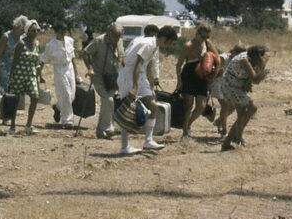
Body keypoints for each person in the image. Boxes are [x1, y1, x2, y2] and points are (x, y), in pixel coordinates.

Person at [117, 25, 176, 155]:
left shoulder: (153, 44)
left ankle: (148, 141)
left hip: (140, 76)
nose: (169, 46)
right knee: (128, 110)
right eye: (170, 43)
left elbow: (148, 66)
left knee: (153, 106)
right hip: (129, 77)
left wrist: (151, 87)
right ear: (164, 38)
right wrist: (134, 87)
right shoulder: (148, 44)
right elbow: (137, 65)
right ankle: (124, 146)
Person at [220, 45, 269, 151]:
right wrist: (262, 66)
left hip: (237, 85)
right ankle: (235, 136)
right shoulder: (244, 60)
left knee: (241, 114)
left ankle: (229, 141)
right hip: (231, 86)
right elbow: (256, 79)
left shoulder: (250, 59)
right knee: (252, 108)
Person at [176, 23, 218, 141]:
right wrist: (179, 81)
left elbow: (217, 57)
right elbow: (179, 64)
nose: (205, 39)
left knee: (201, 105)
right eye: (203, 36)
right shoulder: (188, 45)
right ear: (197, 33)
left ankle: (188, 124)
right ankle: (185, 132)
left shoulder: (207, 43)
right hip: (189, 74)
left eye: (207, 37)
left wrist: (213, 75)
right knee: (188, 104)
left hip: (203, 74)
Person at [83, 23, 124, 139]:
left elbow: (122, 57)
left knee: (108, 102)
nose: (117, 38)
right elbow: (85, 53)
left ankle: (100, 131)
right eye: (115, 35)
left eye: (119, 35)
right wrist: (89, 69)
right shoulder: (99, 41)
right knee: (108, 99)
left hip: (112, 77)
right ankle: (108, 128)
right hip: (99, 75)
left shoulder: (120, 42)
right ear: (109, 33)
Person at [40, 22, 80, 129]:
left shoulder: (70, 41)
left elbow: (72, 58)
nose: (62, 33)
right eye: (60, 31)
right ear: (56, 31)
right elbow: (44, 59)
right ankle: (67, 121)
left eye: (64, 31)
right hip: (59, 69)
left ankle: (58, 107)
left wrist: (76, 73)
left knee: (72, 95)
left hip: (69, 67)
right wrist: (39, 72)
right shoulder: (51, 45)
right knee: (66, 94)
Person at [6, 20, 44, 135]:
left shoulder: (37, 44)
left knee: (35, 97)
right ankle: (12, 125)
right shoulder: (21, 44)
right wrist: (11, 75)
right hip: (19, 74)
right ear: (27, 31)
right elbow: (14, 60)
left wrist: (40, 75)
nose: (36, 32)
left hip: (31, 75)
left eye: (37, 30)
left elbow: (37, 61)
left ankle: (28, 125)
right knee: (16, 100)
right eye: (33, 30)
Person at [0, 15, 28, 125]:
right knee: (6, 91)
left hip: (15, 67)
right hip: (4, 67)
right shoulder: (6, 37)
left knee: (14, 91)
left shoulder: (22, 38)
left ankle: (10, 114)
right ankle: (5, 116)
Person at [212, 45, 244, 137]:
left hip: (227, 85)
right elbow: (216, 70)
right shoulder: (224, 58)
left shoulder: (237, 61)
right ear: (233, 52)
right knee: (225, 106)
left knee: (232, 107)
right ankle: (224, 130)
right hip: (217, 83)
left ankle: (219, 121)